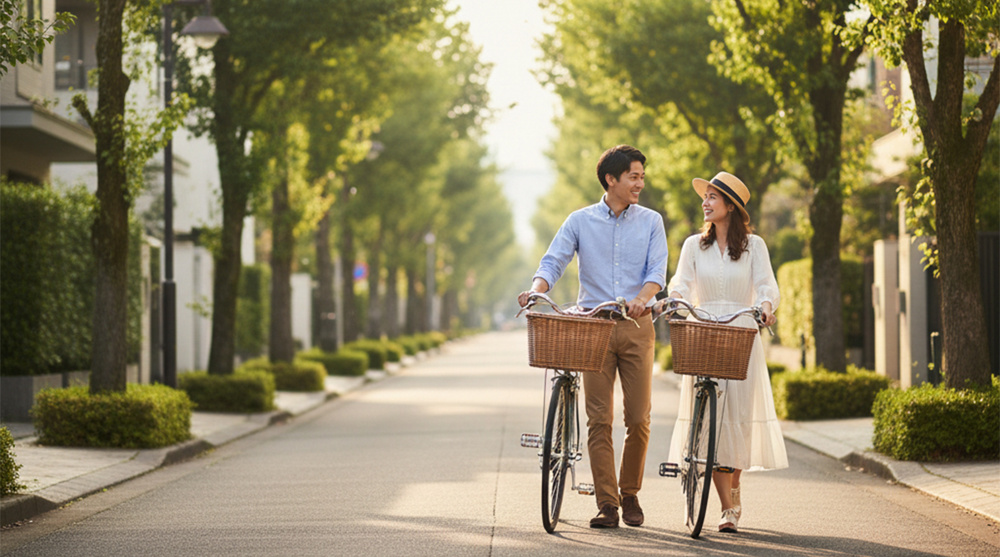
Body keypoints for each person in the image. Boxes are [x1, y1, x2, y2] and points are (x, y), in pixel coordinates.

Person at [517, 145, 668, 529]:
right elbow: (554, 261)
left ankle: (630, 491)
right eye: (633, 176)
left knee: (638, 418)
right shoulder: (580, 221)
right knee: (599, 419)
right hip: (594, 328)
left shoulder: (651, 221)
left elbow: (657, 272)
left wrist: (641, 299)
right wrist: (537, 289)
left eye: (642, 177)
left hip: (637, 327)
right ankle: (608, 503)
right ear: (610, 179)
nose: (640, 183)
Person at [659, 171, 788, 533]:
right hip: (703, 329)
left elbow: (766, 285)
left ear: (730, 206)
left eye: (713, 197)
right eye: (705, 196)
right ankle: (726, 507)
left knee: (736, 422)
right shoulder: (691, 246)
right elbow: (680, 283)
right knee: (709, 425)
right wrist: (677, 300)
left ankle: (734, 486)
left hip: (740, 332)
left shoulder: (754, 246)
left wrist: (764, 305)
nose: (705, 202)